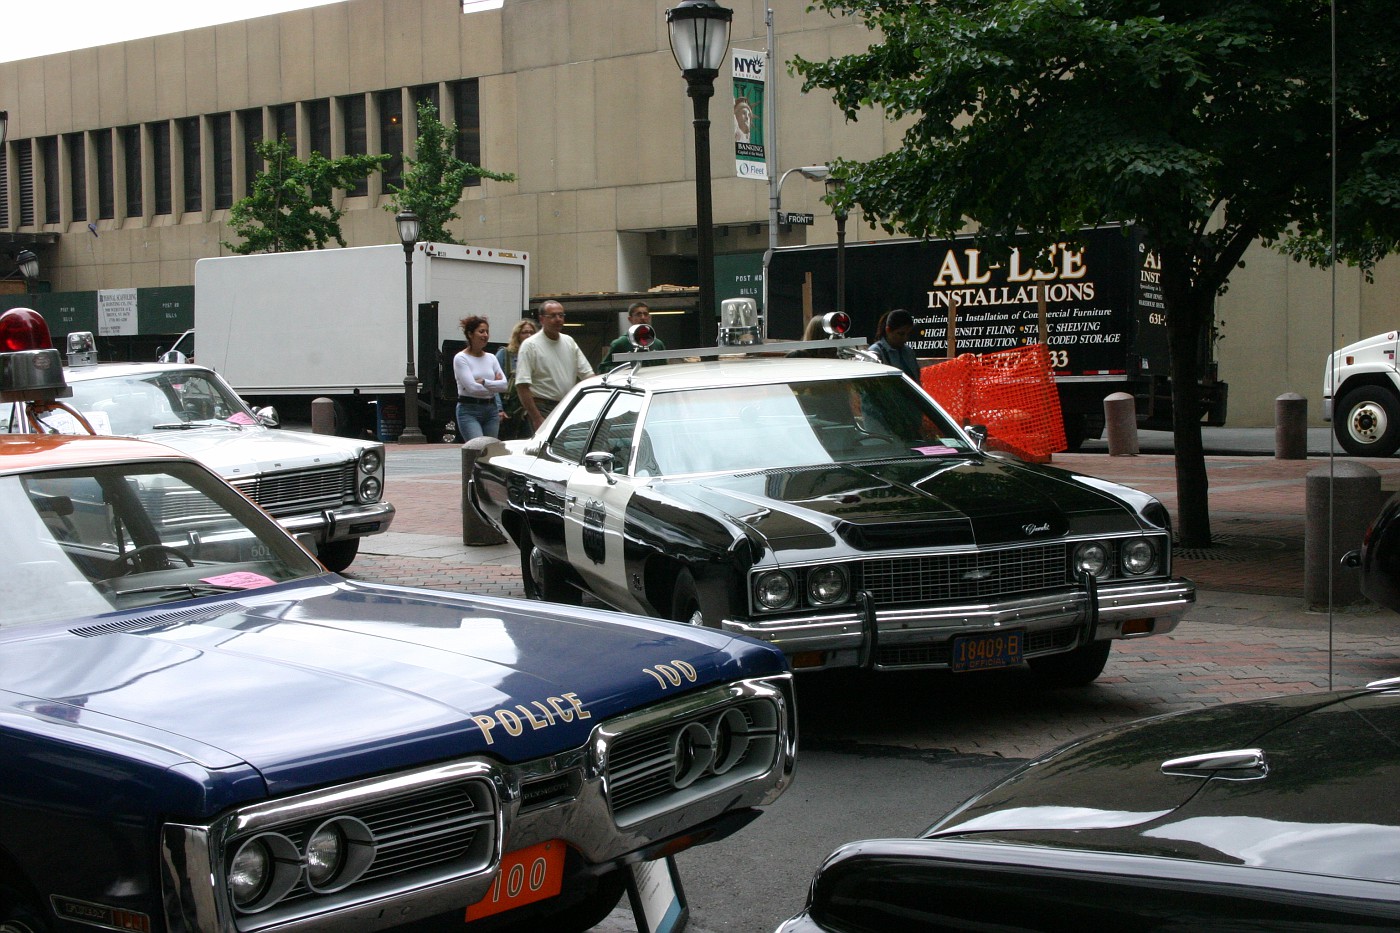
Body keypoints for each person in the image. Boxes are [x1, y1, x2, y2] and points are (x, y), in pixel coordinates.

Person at [515, 300, 594, 431]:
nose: (558, 319)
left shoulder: (569, 341)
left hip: (566, 406)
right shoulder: (530, 345)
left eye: (561, 315)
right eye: (552, 316)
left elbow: (588, 375)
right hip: (542, 407)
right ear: (541, 319)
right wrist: (536, 417)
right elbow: (522, 385)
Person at [452, 315, 507, 441]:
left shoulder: (491, 358)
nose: (486, 335)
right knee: (477, 447)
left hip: (491, 410)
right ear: (470, 334)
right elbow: (472, 388)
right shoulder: (461, 358)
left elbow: (504, 385)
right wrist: (494, 385)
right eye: (481, 331)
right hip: (469, 409)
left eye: (487, 331)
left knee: (489, 449)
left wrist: (484, 382)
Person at [495, 318, 536, 439]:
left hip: (528, 410)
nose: (528, 335)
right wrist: (499, 409)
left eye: (531, 332)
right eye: (524, 332)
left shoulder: (537, 355)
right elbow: (495, 385)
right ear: (517, 335)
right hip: (509, 410)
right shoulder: (505, 354)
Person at [600, 301, 667, 371]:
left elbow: (664, 369)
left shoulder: (658, 344)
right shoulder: (620, 343)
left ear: (649, 317)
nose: (643, 317)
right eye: (638, 314)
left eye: (645, 314)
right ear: (630, 319)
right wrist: (625, 370)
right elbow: (602, 369)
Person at [869, 308, 921, 382]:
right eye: (901, 334)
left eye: (908, 334)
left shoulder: (909, 352)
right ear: (888, 330)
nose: (905, 338)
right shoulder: (875, 353)